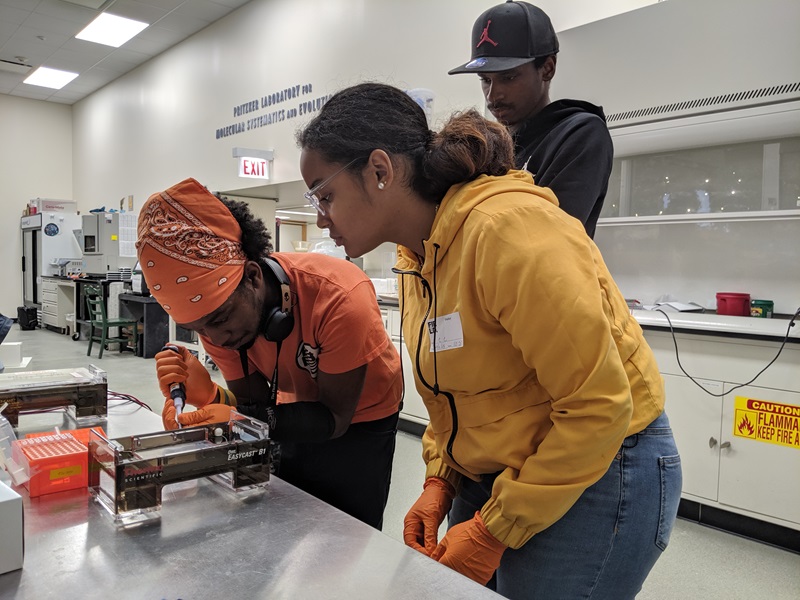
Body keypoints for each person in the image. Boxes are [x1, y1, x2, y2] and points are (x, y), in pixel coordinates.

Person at [296, 82, 681, 599]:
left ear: (381, 171)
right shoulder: (419, 257)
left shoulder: (507, 229)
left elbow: (599, 407)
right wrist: (441, 479)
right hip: (503, 469)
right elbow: (456, 394)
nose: (321, 217)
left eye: (324, 195)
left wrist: (492, 529)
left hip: (603, 465)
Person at [135, 178, 402, 529]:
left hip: (360, 415)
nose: (217, 338)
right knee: (287, 507)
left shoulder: (339, 298)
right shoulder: (219, 321)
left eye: (220, 319)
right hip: (297, 402)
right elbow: (256, 404)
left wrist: (235, 416)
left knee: (346, 528)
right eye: (200, 330)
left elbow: (333, 420)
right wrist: (212, 397)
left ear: (253, 278)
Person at [449, 1, 613, 238]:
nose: (493, 95)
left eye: (508, 77)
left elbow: (544, 238)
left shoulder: (580, 134)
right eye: (485, 80)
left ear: (547, 68)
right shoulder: (493, 145)